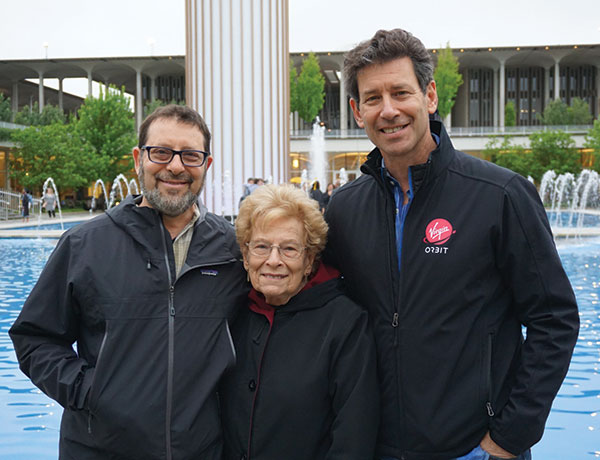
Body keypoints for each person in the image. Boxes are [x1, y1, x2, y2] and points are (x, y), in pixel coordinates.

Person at [324, 29, 579, 460]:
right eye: (372, 98)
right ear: (356, 109)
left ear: (430, 96)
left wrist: (508, 439)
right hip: (377, 447)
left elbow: (554, 320)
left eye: (400, 92)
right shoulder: (344, 211)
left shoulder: (500, 196)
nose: (388, 110)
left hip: (475, 449)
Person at [9, 105, 249, 460]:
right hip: (100, 449)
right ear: (139, 158)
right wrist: (90, 390)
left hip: (202, 449)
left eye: (190, 155)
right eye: (161, 152)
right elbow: (34, 338)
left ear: (206, 165)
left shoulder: (233, 250)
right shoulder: (85, 245)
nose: (176, 166)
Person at [220, 184, 379, 460]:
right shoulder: (232, 313)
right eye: (261, 246)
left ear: (309, 261)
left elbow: (354, 436)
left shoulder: (344, 323)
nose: (273, 260)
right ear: (245, 257)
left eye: (289, 249)